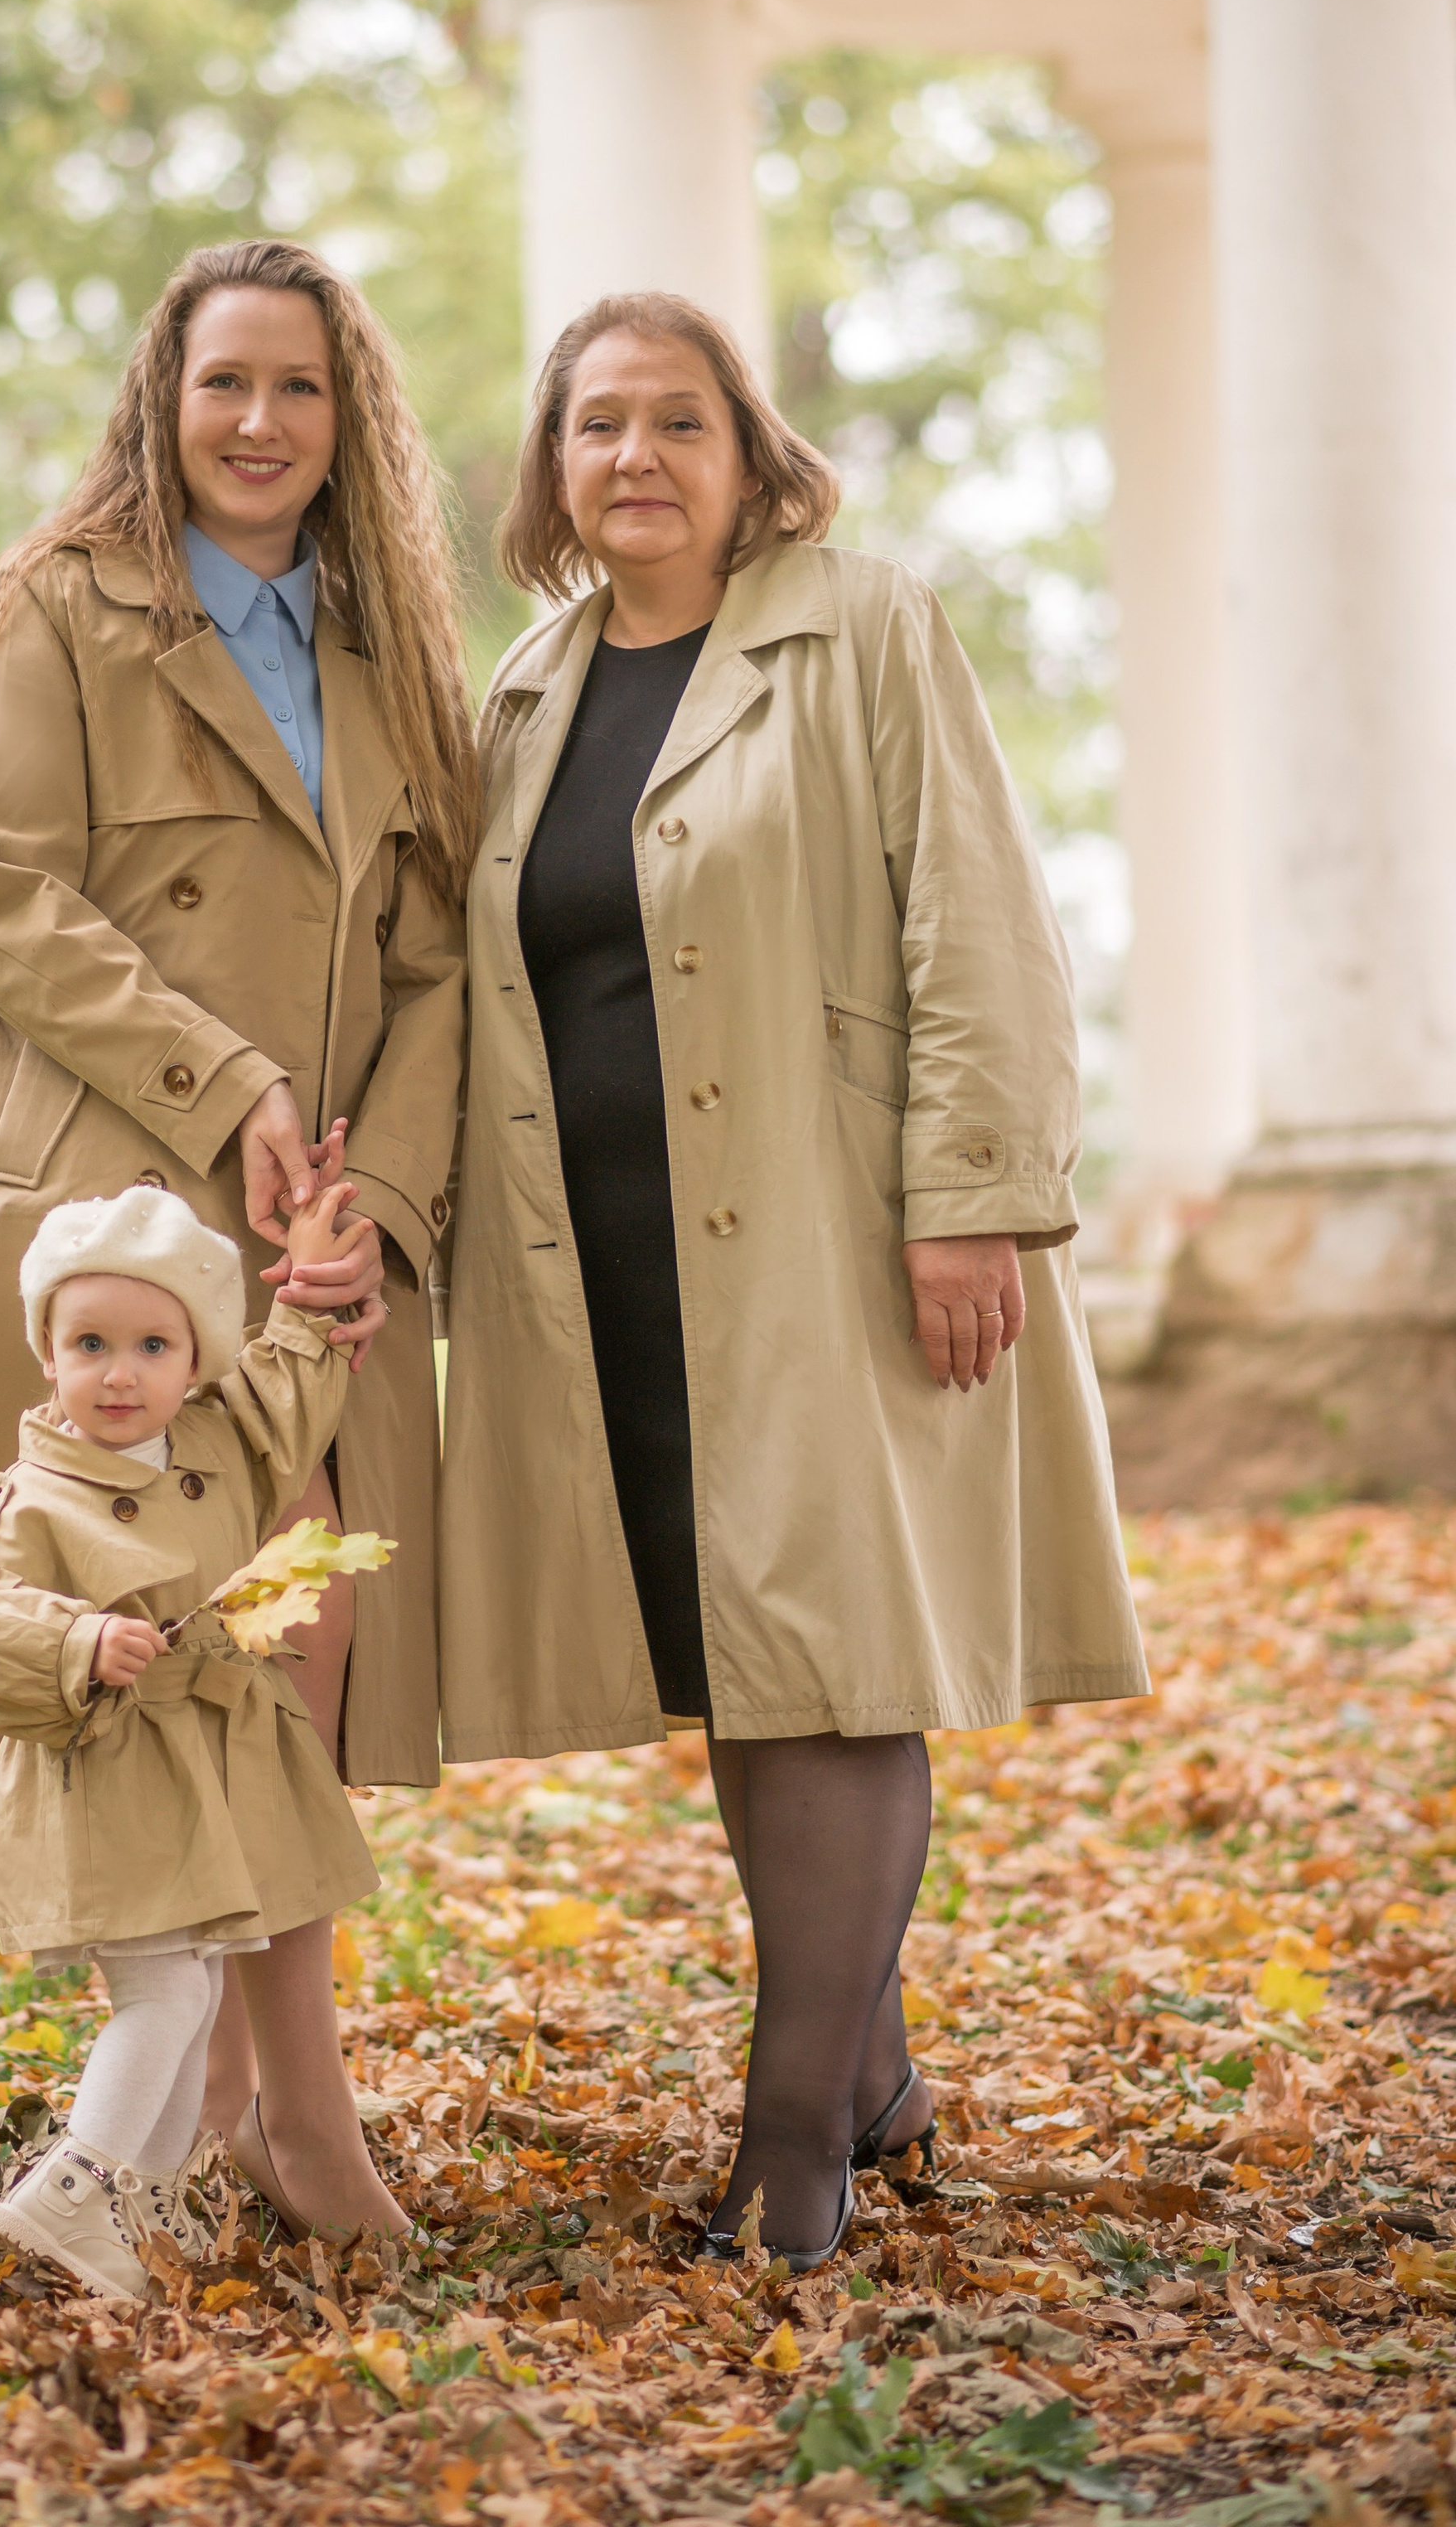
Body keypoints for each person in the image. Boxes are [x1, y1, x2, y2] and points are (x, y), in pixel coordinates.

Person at [439, 291, 1147, 2271]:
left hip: (826, 1240)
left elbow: (980, 918)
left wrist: (974, 1198)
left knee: (828, 1659)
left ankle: (791, 2141)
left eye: (678, 419)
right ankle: (877, 2074)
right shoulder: (531, 678)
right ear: (551, 467)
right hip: (606, 1255)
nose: (635, 456)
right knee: (746, 1654)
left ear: (749, 454)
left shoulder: (863, 626)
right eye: (596, 424)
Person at [0, 239, 473, 2244]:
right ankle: (247, 2114)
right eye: (223, 382)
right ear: (164, 395)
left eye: (297, 388)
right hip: (120, 1223)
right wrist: (225, 1084)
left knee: (287, 1641)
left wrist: (372, 1202)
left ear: (345, 414)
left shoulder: (388, 637)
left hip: (301, 1235)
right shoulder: (59, 609)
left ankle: (243, 2104)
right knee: (165, 1649)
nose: (256, 423)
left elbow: (436, 963)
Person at [0, 1177, 385, 2304]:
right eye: (88, 1343)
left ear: (194, 1362)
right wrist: (79, 1641)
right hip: (113, 1778)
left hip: (207, 1774)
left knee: (202, 1983)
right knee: (168, 1999)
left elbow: (286, 1388)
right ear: (48, 1353)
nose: (118, 1374)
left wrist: (315, 1292)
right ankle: (71, 2193)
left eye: (150, 1345)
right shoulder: (30, 1494)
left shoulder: (219, 1443)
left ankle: (144, 2198)